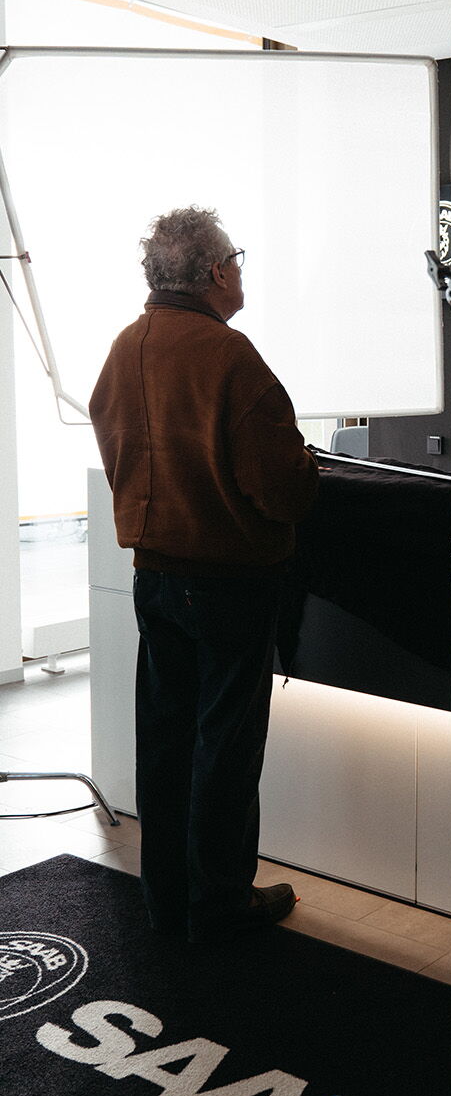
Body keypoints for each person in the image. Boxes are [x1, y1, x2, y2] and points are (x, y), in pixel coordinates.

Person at [89, 206, 319, 945]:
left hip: (153, 579)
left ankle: (166, 899)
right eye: (239, 259)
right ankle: (218, 901)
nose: (242, 270)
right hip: (230, 584)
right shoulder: (229, 356)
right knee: (223, 747)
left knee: (163, 743)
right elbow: (282, 488)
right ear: (216, 272)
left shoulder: (126, 347)